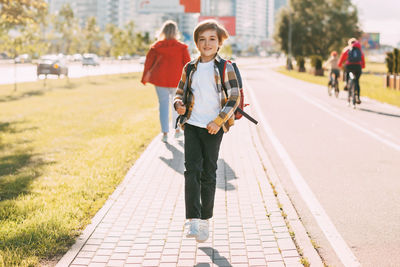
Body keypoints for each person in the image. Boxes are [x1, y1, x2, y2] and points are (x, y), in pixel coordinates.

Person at [174, 20, 240, 243]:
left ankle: (205, 221)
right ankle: (192, 219)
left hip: (214, 127)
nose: (206, 43)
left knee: (208, 173)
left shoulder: (225, 67)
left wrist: (219, 121)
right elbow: (179, 93)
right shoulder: (190, 67)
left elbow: (234, 97)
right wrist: (178, 105)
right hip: (192, 124)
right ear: (196, 43)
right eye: (202, 39)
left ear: (220, 42)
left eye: (212, 39)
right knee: (191, 170)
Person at [141, 20, 191, 143]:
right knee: (177, 105)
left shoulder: (156, 47)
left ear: (162, 31)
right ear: (176, 32)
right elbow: (188, 65)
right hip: (177, 81)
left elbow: (148, 64)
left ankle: (164, 133)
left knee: (163, 106)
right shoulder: (182, 47)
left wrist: (144, 78)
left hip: (160, 81)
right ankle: (177, 130)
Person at [338, 38, 365, 104]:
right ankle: (358, 97)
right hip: (358, 67)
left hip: (349, 66)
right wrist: (363, 66)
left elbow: (342, 58)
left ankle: (347, 84)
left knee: (347, 72)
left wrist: (340, 64)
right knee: (357, 81)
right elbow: (363, 59)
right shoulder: (360, 50)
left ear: (349, 43)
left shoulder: (347, 49)